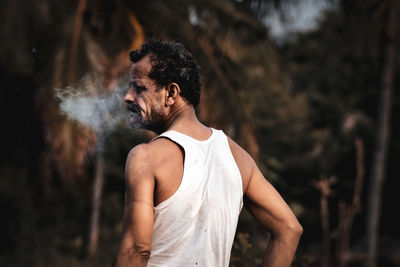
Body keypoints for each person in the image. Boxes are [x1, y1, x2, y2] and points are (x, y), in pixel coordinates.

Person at [114, 40, 302, 267]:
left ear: (171, 93)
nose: (128, 97)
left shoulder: (144, 157)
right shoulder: (238, 157)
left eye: (139, 88)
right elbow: (289, 229)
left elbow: (136, 250)